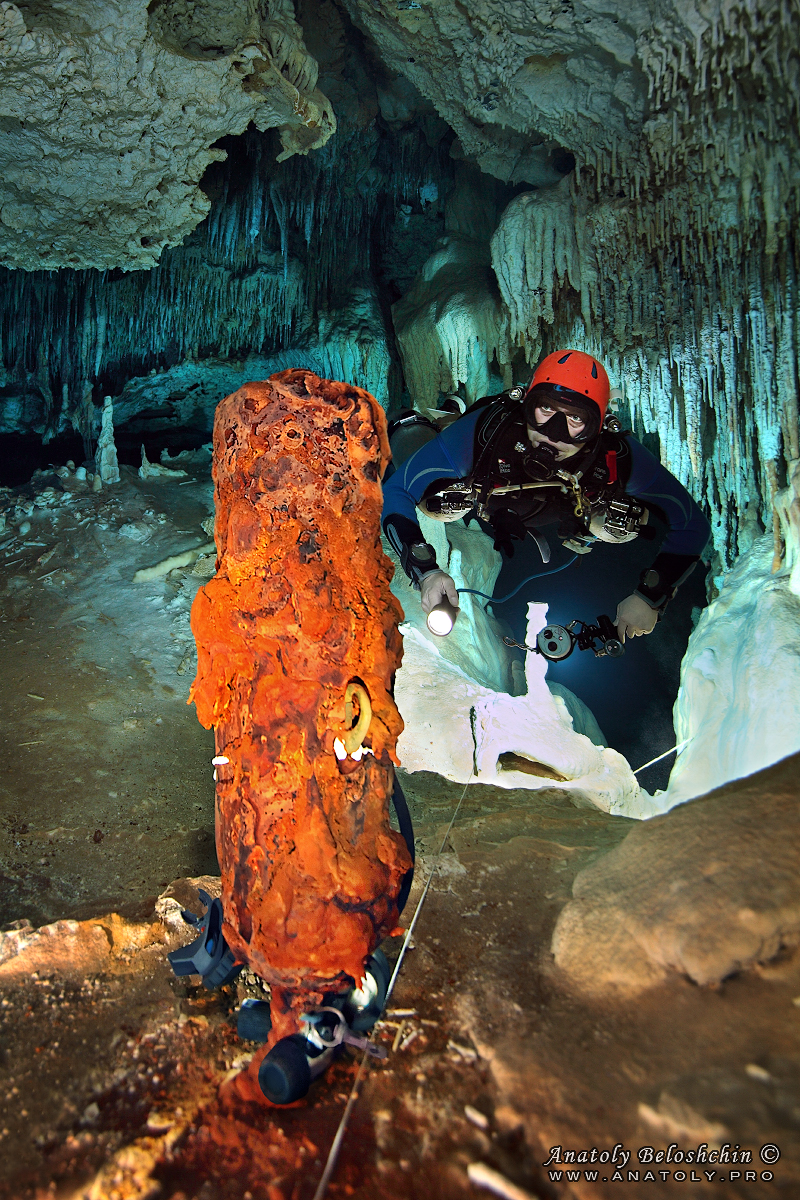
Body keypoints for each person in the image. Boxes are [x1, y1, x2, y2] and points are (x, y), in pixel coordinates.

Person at [382, 349, 711, 642]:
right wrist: (426, 571)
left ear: (597, 427)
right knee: (438, 500)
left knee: (621, 521)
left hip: (567, 508)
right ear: (527, 405)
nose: (553, 434)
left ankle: (452, 412)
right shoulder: (490, 431)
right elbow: (398, 490)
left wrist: (650, 596)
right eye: (545, 410)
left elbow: (691, 522)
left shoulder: (615, 456)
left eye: (575, 419)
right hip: (479, 489)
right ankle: (422, 421)